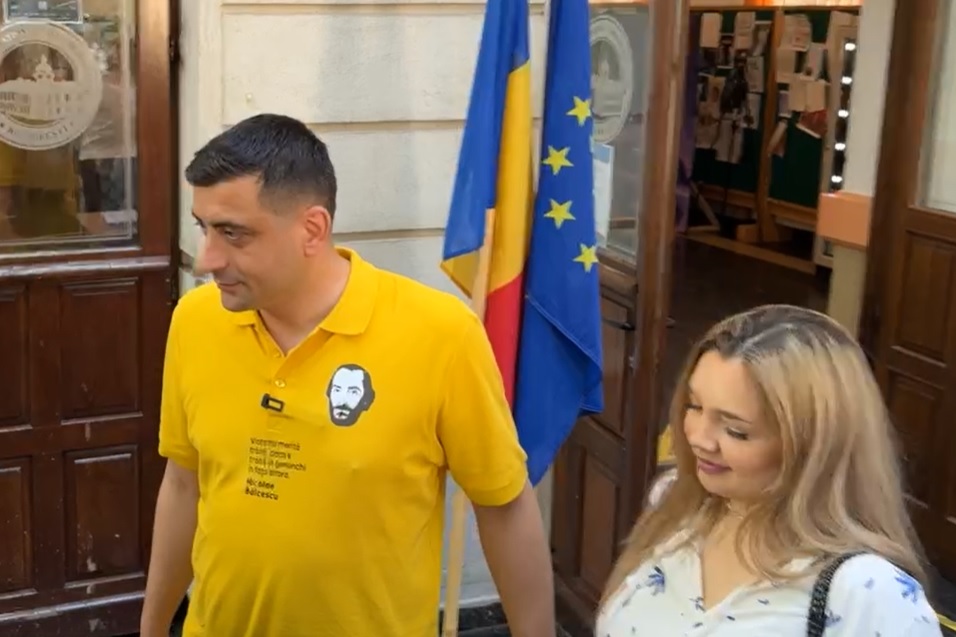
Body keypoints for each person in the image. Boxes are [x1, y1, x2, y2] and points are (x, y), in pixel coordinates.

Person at [139, 113, 554, 637]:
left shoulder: (441, 335)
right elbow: (184, 483)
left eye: (232, 234)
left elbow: (504, 508)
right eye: (204, 227)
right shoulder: (195, 321)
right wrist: (153, 627)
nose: (205, 260)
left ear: (312, 229)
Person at [597, 305, 943, 636]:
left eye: (736, 431)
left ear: (813, 448)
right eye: (695, 406)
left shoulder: (870, 596)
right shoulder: (674, 501)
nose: (698, 439)